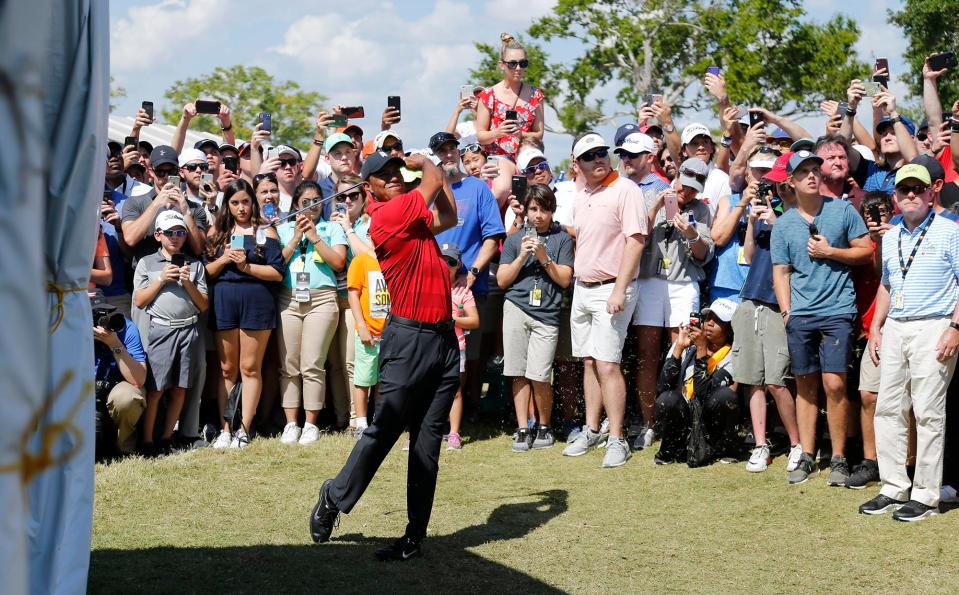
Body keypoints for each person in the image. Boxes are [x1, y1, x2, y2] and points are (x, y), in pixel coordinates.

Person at [310, 150, 458, 563]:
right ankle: (334, 495)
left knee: (427, 443)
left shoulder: (411, 215)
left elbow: (447, 217)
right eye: (385, 174)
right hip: (408, 338)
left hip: (443, 340)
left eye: (397, 172)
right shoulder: (386, 216)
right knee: (385, 429)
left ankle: (415, 536)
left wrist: (433, 175)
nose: (394, 177)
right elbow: (432, 181)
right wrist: (424, 160)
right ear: (368, 186)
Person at [860, 163, 959, 521]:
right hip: (896, 327)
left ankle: (926, 494)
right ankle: (893, 486)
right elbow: (887, 284)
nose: (911, 195)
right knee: (888, 408)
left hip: (935, 326)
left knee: (928, 412)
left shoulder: (951, 232)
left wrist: (955, 328)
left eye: (918, 188)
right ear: (896, 197)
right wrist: (876, 327)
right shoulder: (892, 236)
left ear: (933, 190)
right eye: (904, 190)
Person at [771, 150, 871, 485]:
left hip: (838, 311)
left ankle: (840, 458)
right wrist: (787, 312)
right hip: (801, 315)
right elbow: (781, 272)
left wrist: (831, 252)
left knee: (835, 383)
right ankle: (808, 455)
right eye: (804, 172)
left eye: (816, 169)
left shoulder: (842, 210)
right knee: (805, 385)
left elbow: (866, 251)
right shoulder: (783, 224)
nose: (812, 176)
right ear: (792, 181)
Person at [562, 132, 647, 468]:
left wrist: (619, 289)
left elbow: (636, 242)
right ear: (577, 165)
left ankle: (617, 438)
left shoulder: (626, 189)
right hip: (583, 288)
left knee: (608, 364)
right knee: (588, 361)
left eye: (601, 153)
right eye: (589, 156)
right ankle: (593, 428)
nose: (598, 159)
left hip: (612, 287)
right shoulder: (581, 193)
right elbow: (581, 235)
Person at [630, 158, 714, 450]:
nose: (687, 193)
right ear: (676, 176)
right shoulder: (652, 195)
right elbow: (636, 234)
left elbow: (704, 254)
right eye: (684, 185)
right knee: (647, 353)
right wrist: (655, 209)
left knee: (681, 352)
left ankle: (678, 420)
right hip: (650, 280)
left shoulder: (702, 209)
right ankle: (649, 423)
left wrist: (691, 235)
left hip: (683, 283)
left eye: (694, 189)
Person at [731, 153, 802, 473]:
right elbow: (747, 256)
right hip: (750, 299)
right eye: (774, 186)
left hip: (777, 305)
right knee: (752, 380)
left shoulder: (800, 216)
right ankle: (760, 445)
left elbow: (801, 256)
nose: (777, 191)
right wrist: (750, 220)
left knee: (776, 381)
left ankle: (798, 444)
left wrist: (779, 224)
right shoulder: (767, 213)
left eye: (782, 186)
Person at [429, 131, 507, 415]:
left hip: (468, 285)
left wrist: (474, 271)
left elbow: (492, 235)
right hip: (433, 284)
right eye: (441, 151)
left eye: (452, 149)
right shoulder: (429, 190)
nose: (447, 155)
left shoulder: (477, 188)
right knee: (432, 353)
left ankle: (465, 414)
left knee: (468, 356)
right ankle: (435, 413)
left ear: (458, 153)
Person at [204, 180, 284, 449]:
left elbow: (276, 273)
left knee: (250, 368)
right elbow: (205, 273)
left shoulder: (266, 232)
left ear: (253, 201)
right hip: (224, 300)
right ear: (227, 204)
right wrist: (225, 259)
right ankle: (226, 428)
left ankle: (244, 429)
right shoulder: (217, 232)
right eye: (235, 202)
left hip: (257, 301)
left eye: (245, 201)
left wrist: (247, 266)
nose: (241, 208)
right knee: (227, 369)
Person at [496, 185, 574, 451]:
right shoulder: (515, 239)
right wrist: (522, 256)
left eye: (544, 209)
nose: (538, 215)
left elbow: (564, 280)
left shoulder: (562, 238)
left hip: (547, 313)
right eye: (533, 209)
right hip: (516, 308)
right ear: (526, 210)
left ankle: (544, 425)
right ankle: (521, 427)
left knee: (540, 374)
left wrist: (543, 257)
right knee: (517, 372)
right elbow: (502, 280)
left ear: (552, 211)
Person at [275, 181, 347, 445]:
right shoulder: (282, 229)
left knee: (312, 364)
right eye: (306, 202)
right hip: (288, 299)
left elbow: (338, 263)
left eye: (317, 201)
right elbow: (276, 264)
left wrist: (315, 237)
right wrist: (296, 237)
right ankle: (291, 423)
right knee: (289, 364)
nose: (312, 206)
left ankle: (311, 424)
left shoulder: (332, 228)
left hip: (322, 300)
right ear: (296, 204)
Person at [133, 211, 209, 456]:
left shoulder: (195, 265)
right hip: (161, 329)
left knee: (180, 388)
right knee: (156, 389)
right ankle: (146, 442)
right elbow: (140, 300)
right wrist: (161, 280)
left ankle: (166, 439)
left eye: (180, 232)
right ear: (158, 235)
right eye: (169, 233)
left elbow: (204, 304)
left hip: (189, 329)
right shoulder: (147, 263)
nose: (175, 237)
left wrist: (187, 282)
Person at [654, 299, 740, 466]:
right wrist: (678, 349)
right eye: (708, 318)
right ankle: (671, 450)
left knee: (725, 396)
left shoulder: (733, 355)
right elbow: (662, 388)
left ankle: (721, 449)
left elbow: (703, 394)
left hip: (708, 419)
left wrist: (701, 350)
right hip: (684, 415)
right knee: (668, 399)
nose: (710, 323)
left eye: (719, 321)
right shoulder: (684, 343)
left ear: (730, 329)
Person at [91, 293, 147, 456]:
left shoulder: (125, 327)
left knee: (127, 399)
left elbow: (139, 379)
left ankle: (124, 448)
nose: (101, 323)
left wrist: (115, 344)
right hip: (84, 386)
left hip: (119, 383)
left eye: (105, 314)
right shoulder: (71, 331)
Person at [475, 33, 545, 162]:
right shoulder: (488, 95)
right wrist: (498, 132)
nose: (518, 68)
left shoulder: (536, 95)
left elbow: (539, 134)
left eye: (522, 63)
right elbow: (480, 136)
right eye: (512, 64)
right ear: (502, 65)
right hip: (497, 161)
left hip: (527, 160)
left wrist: (521, 134)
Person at [346, 245, 391, 440]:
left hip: (391, 332)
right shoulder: (361, 260)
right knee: (363, 379)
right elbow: (353, 294)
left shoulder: (394, 259)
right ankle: (361, 423)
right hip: (368, 333)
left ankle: (380, 421)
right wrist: (361, 325)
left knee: (385, 380)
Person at [444, 243, 480, 450]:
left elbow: (474, 321)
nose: (445, 264)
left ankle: (454, 434)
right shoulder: (428, 284)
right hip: (431, 346)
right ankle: (417, 432)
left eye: (450, 261)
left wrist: (452, 320)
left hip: (456, 346)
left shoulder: (463, 290)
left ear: (458, 265)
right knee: (425, 390)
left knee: (455, 390)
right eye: (441, 259)